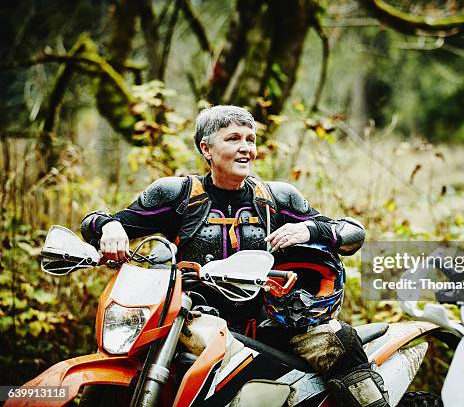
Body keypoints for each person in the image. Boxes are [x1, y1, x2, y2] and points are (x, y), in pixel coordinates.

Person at [80, 105, 389, 407]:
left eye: (250, 139)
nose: (246, 148)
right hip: (192, 322)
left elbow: (352, 233)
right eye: (233, 139)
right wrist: (109, 227)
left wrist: (311, 231)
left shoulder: (278, 198)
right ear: (207, 149)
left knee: (341, 343)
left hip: (271, 324)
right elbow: (93, 223)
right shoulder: (176, 194)